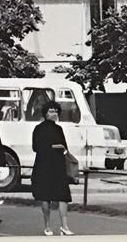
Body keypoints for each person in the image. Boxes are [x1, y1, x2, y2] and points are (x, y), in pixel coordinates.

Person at [32, 101, 74, 236]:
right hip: (53, 165)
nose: (54, 113)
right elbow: (63, 147)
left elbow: (36, 148)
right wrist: (56, 148)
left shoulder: (41, 129)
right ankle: (61, 227)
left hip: (46, 165)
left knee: (48, 196)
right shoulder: (54, 129)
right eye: (51, 111)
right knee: (61, 196)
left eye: (55, 111)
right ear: (45, 113)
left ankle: (51, 227)